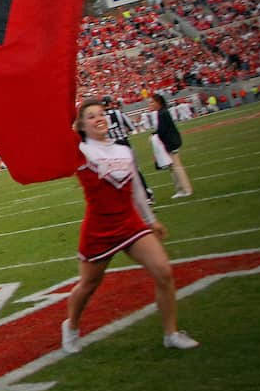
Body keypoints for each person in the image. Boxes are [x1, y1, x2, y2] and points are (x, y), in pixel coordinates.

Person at [64, 99, 200, 353]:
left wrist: (151, 220)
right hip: (99, 227)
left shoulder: (123, 151)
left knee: (164, 272)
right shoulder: (80, 151)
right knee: (89, 284)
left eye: (101, 114)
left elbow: (137, 190)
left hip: (130, 222)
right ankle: (71, 325)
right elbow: (59, 134)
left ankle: (171, 333)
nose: (98, 118)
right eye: (91, 116)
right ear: (81, 125)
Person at [150, 92, 193, 198]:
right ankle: (180, 189)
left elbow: (162, 130)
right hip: (169, 143)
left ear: (158, 102)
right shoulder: (161, 112)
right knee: (172, 168)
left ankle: (186, 189)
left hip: (171, 143)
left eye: (152, 102)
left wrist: (154, 135)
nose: (150, 104)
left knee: (176, 167)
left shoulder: (162, 113)